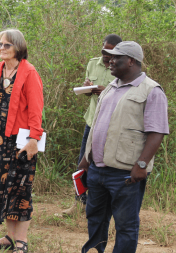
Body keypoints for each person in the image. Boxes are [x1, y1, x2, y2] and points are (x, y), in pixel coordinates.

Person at [79, 41, 169, 253]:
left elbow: (156, 132)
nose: (109, 61)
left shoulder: (151, 91)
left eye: (115, 57)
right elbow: (97, 125)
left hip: (125, 173)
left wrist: (141, 164)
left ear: (130, 61)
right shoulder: (111, 87)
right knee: (95, 218)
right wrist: (86, 158)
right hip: (97, 170)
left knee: (126, 225)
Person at [0, 29, 44, 253]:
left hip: (20, 142)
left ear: (18, 47)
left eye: (6, 45)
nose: (1, 48)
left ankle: (21, 240)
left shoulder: (29, 72)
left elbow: (36, 109)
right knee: (2, 188)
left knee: (20, 190)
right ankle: (9, 236)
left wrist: (34, 138)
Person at [62, 34, 122, 216]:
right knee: (83, 162)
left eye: (110, 51)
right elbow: (88, 90)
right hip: (92, 121)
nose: (106, 54)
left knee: (110, 164)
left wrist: (106, 91)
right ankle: (79, 203)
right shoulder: (92, 63)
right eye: (104, 49)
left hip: (113, 125)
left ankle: (107, 207)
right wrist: (87, 87)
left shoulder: (122, 67)